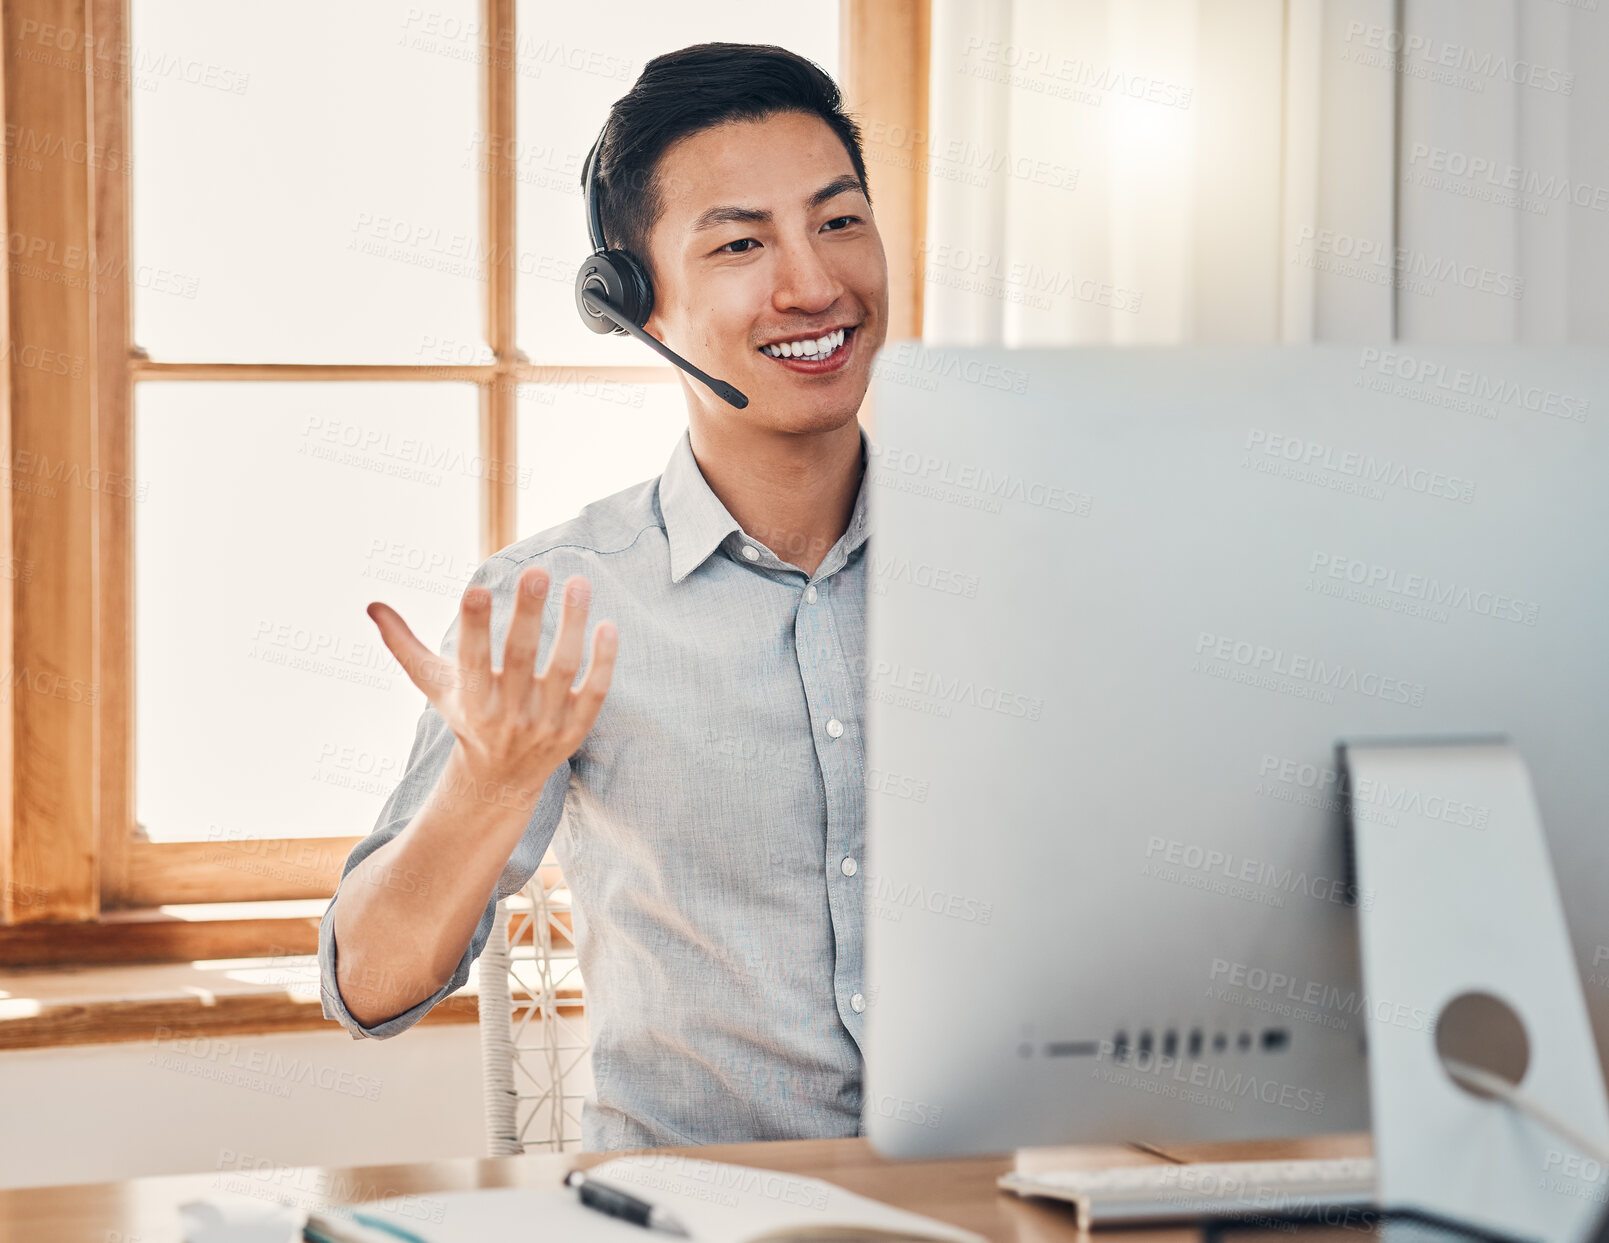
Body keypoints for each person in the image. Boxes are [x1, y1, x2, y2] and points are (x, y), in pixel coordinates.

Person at [318, 41, 889, 1151]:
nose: (815, 285)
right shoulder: (556, 603)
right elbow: (369, 988)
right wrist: (489, 782)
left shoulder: (1018, 567)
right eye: (739, 242)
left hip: (1007, 1203)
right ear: (634, 306)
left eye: (838, 221)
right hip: (694, 1212)